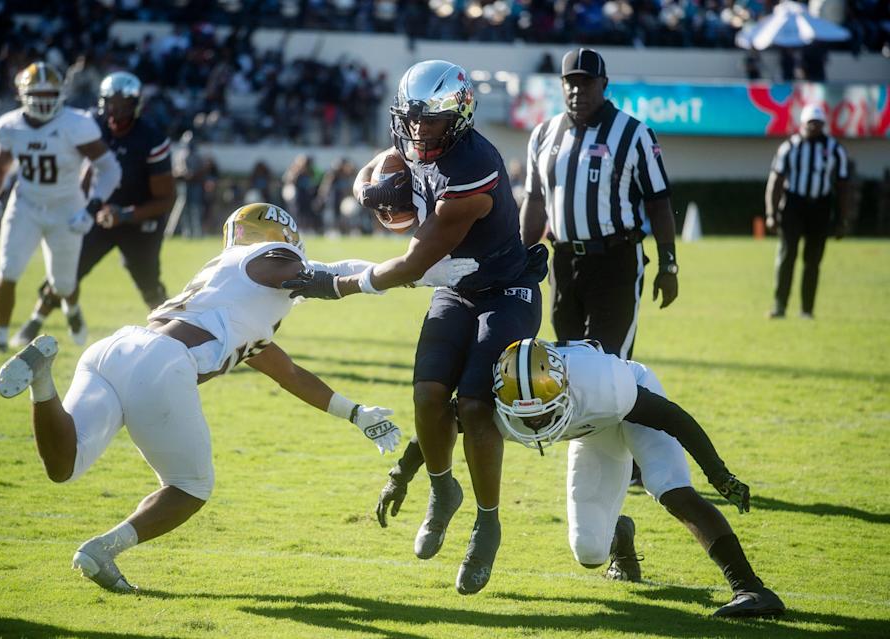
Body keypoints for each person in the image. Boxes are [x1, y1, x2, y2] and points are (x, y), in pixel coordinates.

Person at [0, 203, 419, 593]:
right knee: (192, 487)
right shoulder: (269, 260)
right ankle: (102, 550)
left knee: (63, 465)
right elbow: (308, 272)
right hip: (162, 362)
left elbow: (287, 373)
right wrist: (398, 273)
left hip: (116, 348)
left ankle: (42, 382)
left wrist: (355, 413)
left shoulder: (233, 292)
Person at [282, 60, 548, 595]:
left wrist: (341, 285)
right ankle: (443, 490)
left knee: (474, 404)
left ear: (460, 116)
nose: (419, 131)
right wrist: (367, 187)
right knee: (427, 394)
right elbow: (382, 163)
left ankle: (488, 520)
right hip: (455, 289)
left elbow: (411, 264)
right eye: (412, 119)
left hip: (505, 290)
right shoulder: (414, 142)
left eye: (431, 121)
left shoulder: (472, 170)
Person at [376, 338, 786, 619]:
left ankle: (751, 588)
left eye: (541, 411)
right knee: (588, 551)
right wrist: (400, 475)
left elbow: (672, 417)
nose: (535, 420)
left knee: (670, 489)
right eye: (525, 413)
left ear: (563, 387)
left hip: (624, 407)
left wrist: (719, 473)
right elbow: (437, 426)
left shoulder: (606, 386)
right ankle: (620, 538)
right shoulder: (496, 398)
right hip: (591, 430)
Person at [520, 48, 678, 361]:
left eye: (587, 83)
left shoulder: (634, 134)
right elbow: (535, 201)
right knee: (568, 362)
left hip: (615, 261)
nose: (578, 91)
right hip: (563, 262)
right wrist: (519, 261)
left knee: (607, 366)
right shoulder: (543, 134)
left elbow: (659, 203)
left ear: (604, 84)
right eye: (571, 83)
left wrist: (668, 263)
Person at [10, 71, 176, 348]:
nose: (115, 111)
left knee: (148, 281)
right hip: (97, 211)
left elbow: (165, 199)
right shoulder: (90, 125)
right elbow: (78, 166)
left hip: (140, 218)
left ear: (135, 106)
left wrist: (124, 215)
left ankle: (173, 336)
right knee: (67, 269)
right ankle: (34, 321)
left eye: (123, 104)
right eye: (111, 103)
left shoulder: (151, 139)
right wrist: (88, 204)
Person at [0, 62, 122, 354]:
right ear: (22, 94)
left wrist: (91, 207)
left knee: (64, 283)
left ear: (60, 94)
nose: (43, 100)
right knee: (7, 270)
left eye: (49, 94)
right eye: (37, 94)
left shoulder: (75, 123)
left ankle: (72, 308)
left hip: (66, 206)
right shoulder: (10, 126)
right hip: (26, 204)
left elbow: (109, 168)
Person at [765, 104, 851, 319]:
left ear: (824, 125)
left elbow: (842, 186)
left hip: (820, 206)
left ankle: (806, 310)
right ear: (802, 124)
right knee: (787, 256)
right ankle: (779, 306)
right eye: (810, 123)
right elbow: (775, 182)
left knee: (813, 261)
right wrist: (771, 213)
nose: (814, 127)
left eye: (818, 124)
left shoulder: (834, 149)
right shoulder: (789, 147)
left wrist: (842, 219)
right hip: (794, 205)